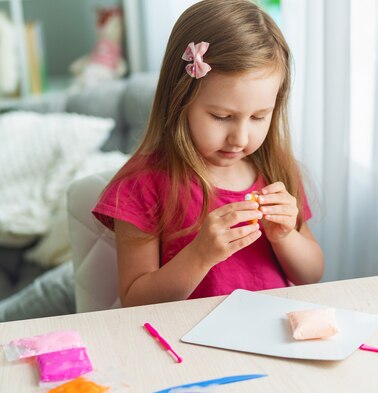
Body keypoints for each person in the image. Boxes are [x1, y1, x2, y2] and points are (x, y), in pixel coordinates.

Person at [92, 0, 324, 307]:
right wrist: (200, 255)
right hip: (187, 345)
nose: (239, 137)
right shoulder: (143, 184)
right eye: (221, 116)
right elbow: (135, 300)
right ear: (179, 100)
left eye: (258, 117)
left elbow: (313, 274)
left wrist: (285, 237)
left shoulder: (276, 171)